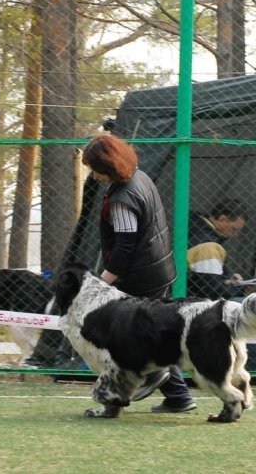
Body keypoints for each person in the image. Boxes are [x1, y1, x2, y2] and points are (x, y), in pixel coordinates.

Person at [82, 134, 196, 413]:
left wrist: (104, 281)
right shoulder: (140, 177)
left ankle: (116, 402)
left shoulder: (122, 198)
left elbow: (125, 246)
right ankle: (179, 397)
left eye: (94, 168)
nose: (92, 174)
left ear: (106, 167)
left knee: (123, 339)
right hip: (159, 269)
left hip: (140, 277)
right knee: (152, 333)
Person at [186, 199, 256, 385]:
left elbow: (208, 280)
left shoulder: (201, 235)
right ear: (222, 219)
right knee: (253, 307)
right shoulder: (208, 245)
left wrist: (228, 279)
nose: (235, 235)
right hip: (200, 303)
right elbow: (211, 289)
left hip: (194, 299)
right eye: (234, 229)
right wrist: (237, 286)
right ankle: (255, 369)